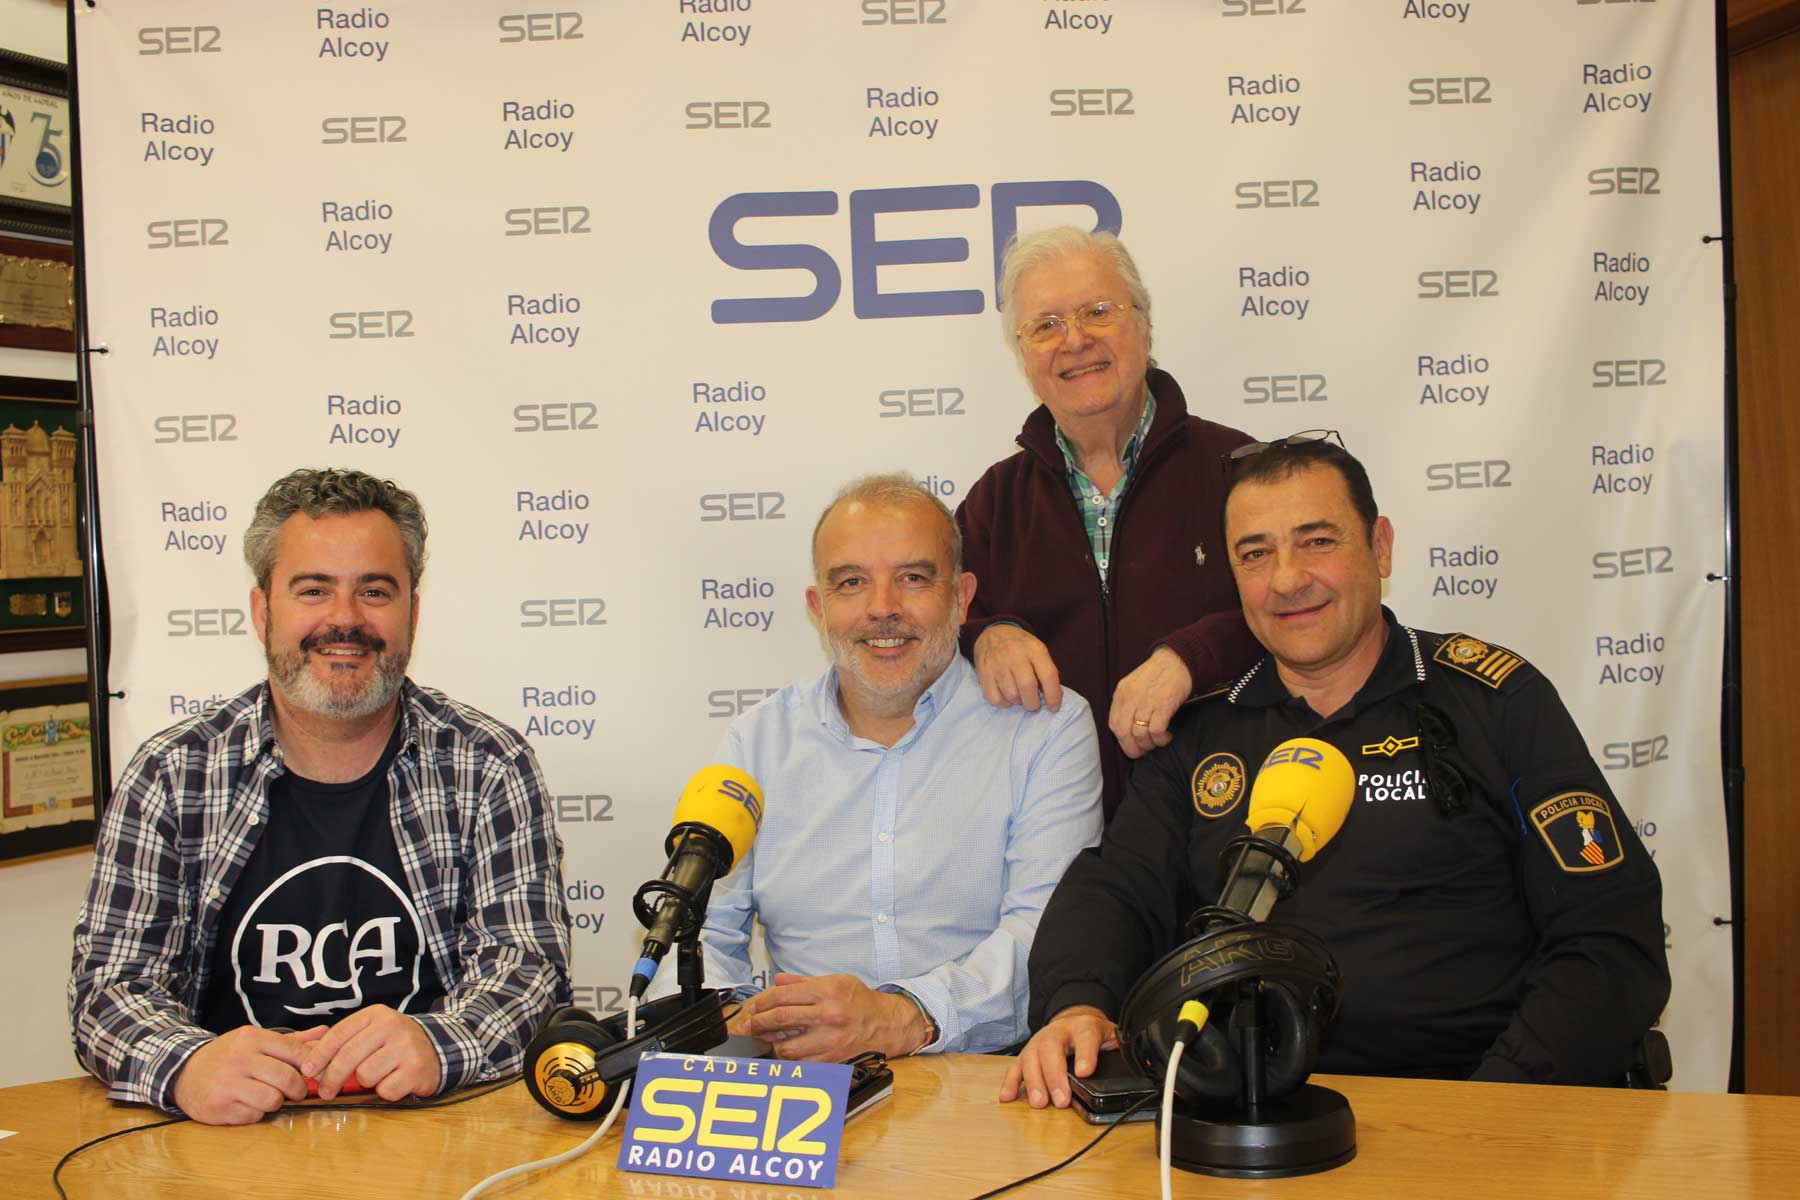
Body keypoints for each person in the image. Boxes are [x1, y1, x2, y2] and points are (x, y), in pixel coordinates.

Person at [1004, 434, 1668, 1108]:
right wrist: (1077, 1006)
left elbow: (1610, 941)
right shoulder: (1203, 732)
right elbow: (1116, 888)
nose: (1287, 580)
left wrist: (1498, 1105)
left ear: (1379, 547)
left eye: (1317, 541)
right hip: (1251, 1119)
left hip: (1477, 1105)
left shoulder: (1495, 704)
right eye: (1255, 554)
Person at [69, 468, 572, 1125]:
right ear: (262, 611)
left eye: (375, 591)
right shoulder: (171, 774)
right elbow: (108, 990)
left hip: (439, 1139)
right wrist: (186, 1064)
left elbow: (529, 971)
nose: (345, 618)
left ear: (412, 613)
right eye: (314, 590)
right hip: (225, 1145)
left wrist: (439, 1041)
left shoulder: (489, 766)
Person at [676, 473, 1104, 1060]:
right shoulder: (758, 741)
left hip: (988, 1086)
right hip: (799, 1087)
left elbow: (1046, 934)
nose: (883, 608)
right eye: (851, 582)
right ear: (817, 608)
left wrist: (907, 1016)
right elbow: (703, 930)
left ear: (961, 596)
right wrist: (738, 1017)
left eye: (913, 578)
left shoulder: (1045, 727)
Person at [957, 226, 1262, 821]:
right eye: (1045, 325)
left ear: (1144, 328)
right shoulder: (994, 502)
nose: (1074, 340)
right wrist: (986, 634)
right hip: (1056, 840)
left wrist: (1190, 656)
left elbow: (1302, 607)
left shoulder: (1241, 471)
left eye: (1098, 311)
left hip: (1227, 817)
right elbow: (926, 620)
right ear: (1023, 356)